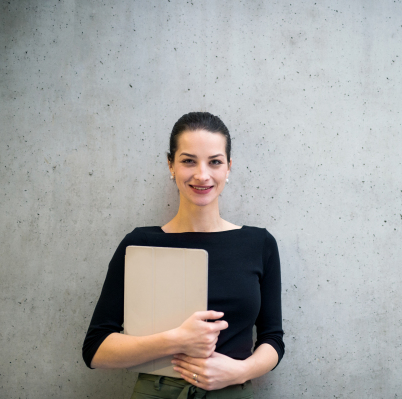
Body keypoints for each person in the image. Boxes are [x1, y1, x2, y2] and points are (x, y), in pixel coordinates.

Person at [82, 112, 284, 398]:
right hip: (157, 391)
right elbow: (95, 350)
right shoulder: (139, 243)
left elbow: (272, 339)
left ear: (228, 167)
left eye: (214, 162)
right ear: (171, 165)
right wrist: (177, 340)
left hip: (232, 391)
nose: (202, 175)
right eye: (188, 161)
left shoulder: (259, 243)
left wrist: (240, 371)